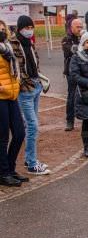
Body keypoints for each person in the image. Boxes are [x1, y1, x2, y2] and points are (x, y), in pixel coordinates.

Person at [10, 15, 50, 175]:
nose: (30, 30)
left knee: (30, 125)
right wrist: (26, 83)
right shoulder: (13, 44)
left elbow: (35, 62)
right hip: (25, 90)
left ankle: (29, 159)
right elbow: (17, 68)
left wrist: (39, 80)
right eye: (27, 27)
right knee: (32, 125)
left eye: (31, 27)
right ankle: (32, 163)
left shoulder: (30, 43)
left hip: (35, 86)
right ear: (20, 28)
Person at [0, 20, 27, 187]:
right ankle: (3, 173)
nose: (2, 32)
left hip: (12, 94)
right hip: (1, 96)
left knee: (19, 133)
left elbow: (15, 69)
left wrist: (16, 84)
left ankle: (10, 168)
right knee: (2, 138)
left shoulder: (7, 48)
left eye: (3, 29)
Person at [62, 18, 83, 131]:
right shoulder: (66, 39)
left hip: (84, 70)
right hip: (71, 72)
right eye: (77, 27)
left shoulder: (85, 37)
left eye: (81, 27)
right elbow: (70, 50)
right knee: (72, 95)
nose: (80, 29)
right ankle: (70, 121)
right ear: (71, 27)